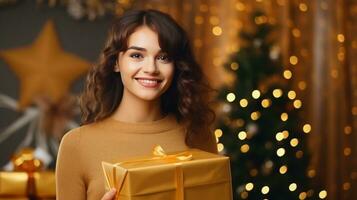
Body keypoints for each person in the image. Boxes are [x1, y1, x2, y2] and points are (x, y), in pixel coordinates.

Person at [55, 9, 218, 200]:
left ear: (176, 66)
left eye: (163, 57)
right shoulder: (77, 145)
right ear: (116, 62)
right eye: (137, 55)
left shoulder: (199, 134)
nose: (151, 68)